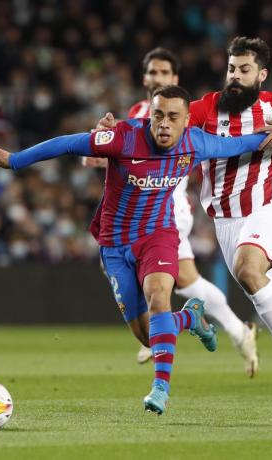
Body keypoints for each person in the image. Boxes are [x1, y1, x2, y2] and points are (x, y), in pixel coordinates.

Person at [98, 38, 272, 421]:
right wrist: (119, 130)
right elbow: (161, 123)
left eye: (244, 70)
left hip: (266, 211)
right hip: (226, 222)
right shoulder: (206, 108)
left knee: (248, 269)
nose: (236, 77)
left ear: (261, 74)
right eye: (231, 69)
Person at [0, 85, 269, 415]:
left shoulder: (198, 142)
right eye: (158, 115)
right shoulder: (122, 138)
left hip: (158, 236)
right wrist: (16, 160)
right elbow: (67, 143)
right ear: (150, 115)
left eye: (173, 117)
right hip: (116, 244)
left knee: (158, 296)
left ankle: (161, 388)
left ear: (187, 120)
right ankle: (190, 316)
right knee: (149, 338)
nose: (164, 124)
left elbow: (243, 144)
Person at [85, 47, 258, 377]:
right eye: (153, 72)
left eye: (164, 73)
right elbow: (113, 150)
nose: (157, 78)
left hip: (168, 209)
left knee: (173, 282)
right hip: (133, 211)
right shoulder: (138, 111)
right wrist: (95, 152)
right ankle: (225, 329)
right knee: (186, 282)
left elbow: (200, 142)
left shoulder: (185, 110)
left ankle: (190, 327)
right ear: (144, 77)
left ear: (174, 79)